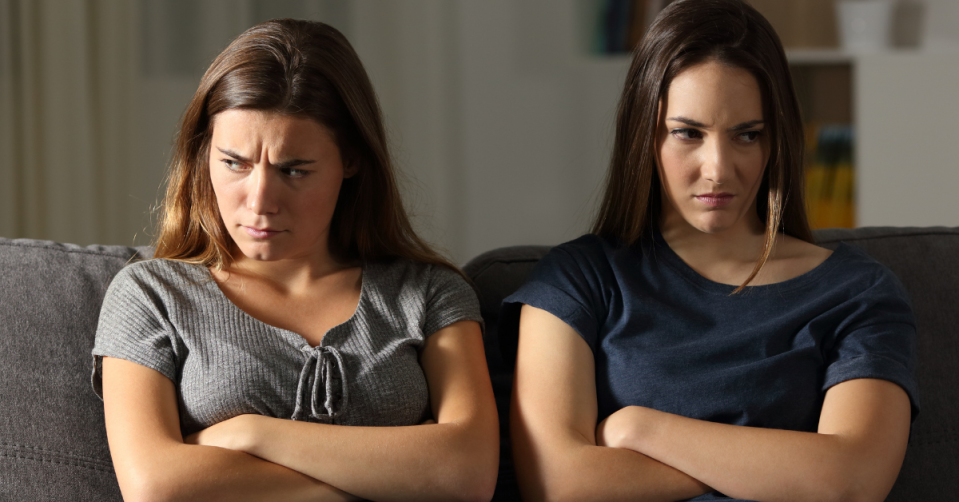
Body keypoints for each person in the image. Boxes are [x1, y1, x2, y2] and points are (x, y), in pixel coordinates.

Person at [502, 1, 918, 501]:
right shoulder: (575, 280)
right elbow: (560, 485)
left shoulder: (857, 293)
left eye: (746, 135)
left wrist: (639, 429)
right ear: (645, 137)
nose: (718, 168)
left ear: (775, 140)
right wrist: (784, 472)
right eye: (688, 133)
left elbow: (852, 482)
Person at [92, 19, 498, 502]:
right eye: (234, 163)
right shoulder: (150, 294)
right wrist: (386, 479)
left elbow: (468, 473)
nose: (260, 200)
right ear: (204, 154)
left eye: (294, 170)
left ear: (351, 160)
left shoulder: (430, 293)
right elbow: (156, 485)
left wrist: (250, 434)